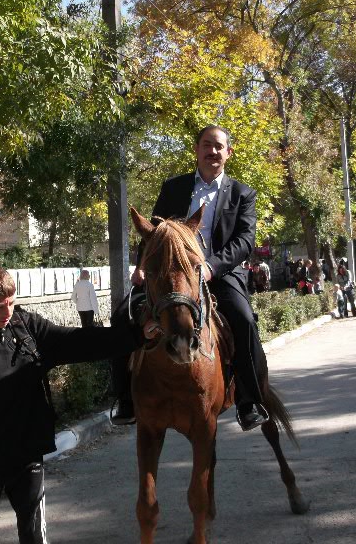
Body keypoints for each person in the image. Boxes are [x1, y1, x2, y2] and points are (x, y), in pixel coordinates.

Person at [0, 264, 138, 544]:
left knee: (34, 535)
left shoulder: (26, 328)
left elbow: (78, 342)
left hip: (26, 455)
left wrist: (136, 336)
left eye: (11, 302)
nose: (7, 311)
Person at [112, 125, 270, 431]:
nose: (213, 151)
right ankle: (124, 398)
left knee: (244, 318)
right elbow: (154, 232)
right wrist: (142, 266)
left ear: (228, 152)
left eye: (219, 146)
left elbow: (245, 241)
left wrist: (211, 266)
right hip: (172, 272)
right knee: (123, 314)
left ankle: (249, 400)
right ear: (197, 150)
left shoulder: (242, 194)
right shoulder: (173, 187)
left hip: (220, 273)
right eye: (207, 145)